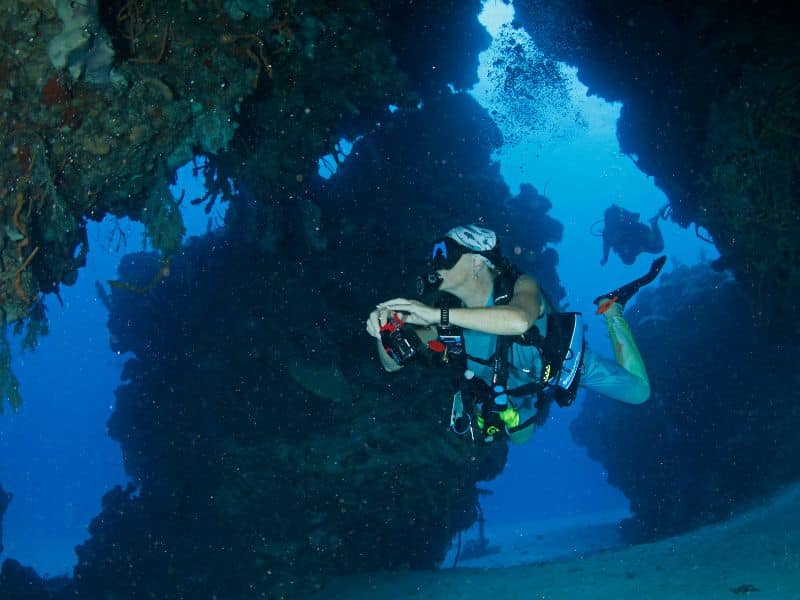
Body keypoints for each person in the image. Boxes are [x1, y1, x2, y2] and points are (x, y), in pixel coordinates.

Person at [366, 224, 661, 445]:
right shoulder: (445, 317)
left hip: (561, 365)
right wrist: (383, 332)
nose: (434, 262)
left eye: (442, 253)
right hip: (508, 390)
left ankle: (612, 311)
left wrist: (434, 315)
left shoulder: (519, 285)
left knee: (639, 393)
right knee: (520, 438)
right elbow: (392, 363)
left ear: (477, 262)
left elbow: (519, 320)